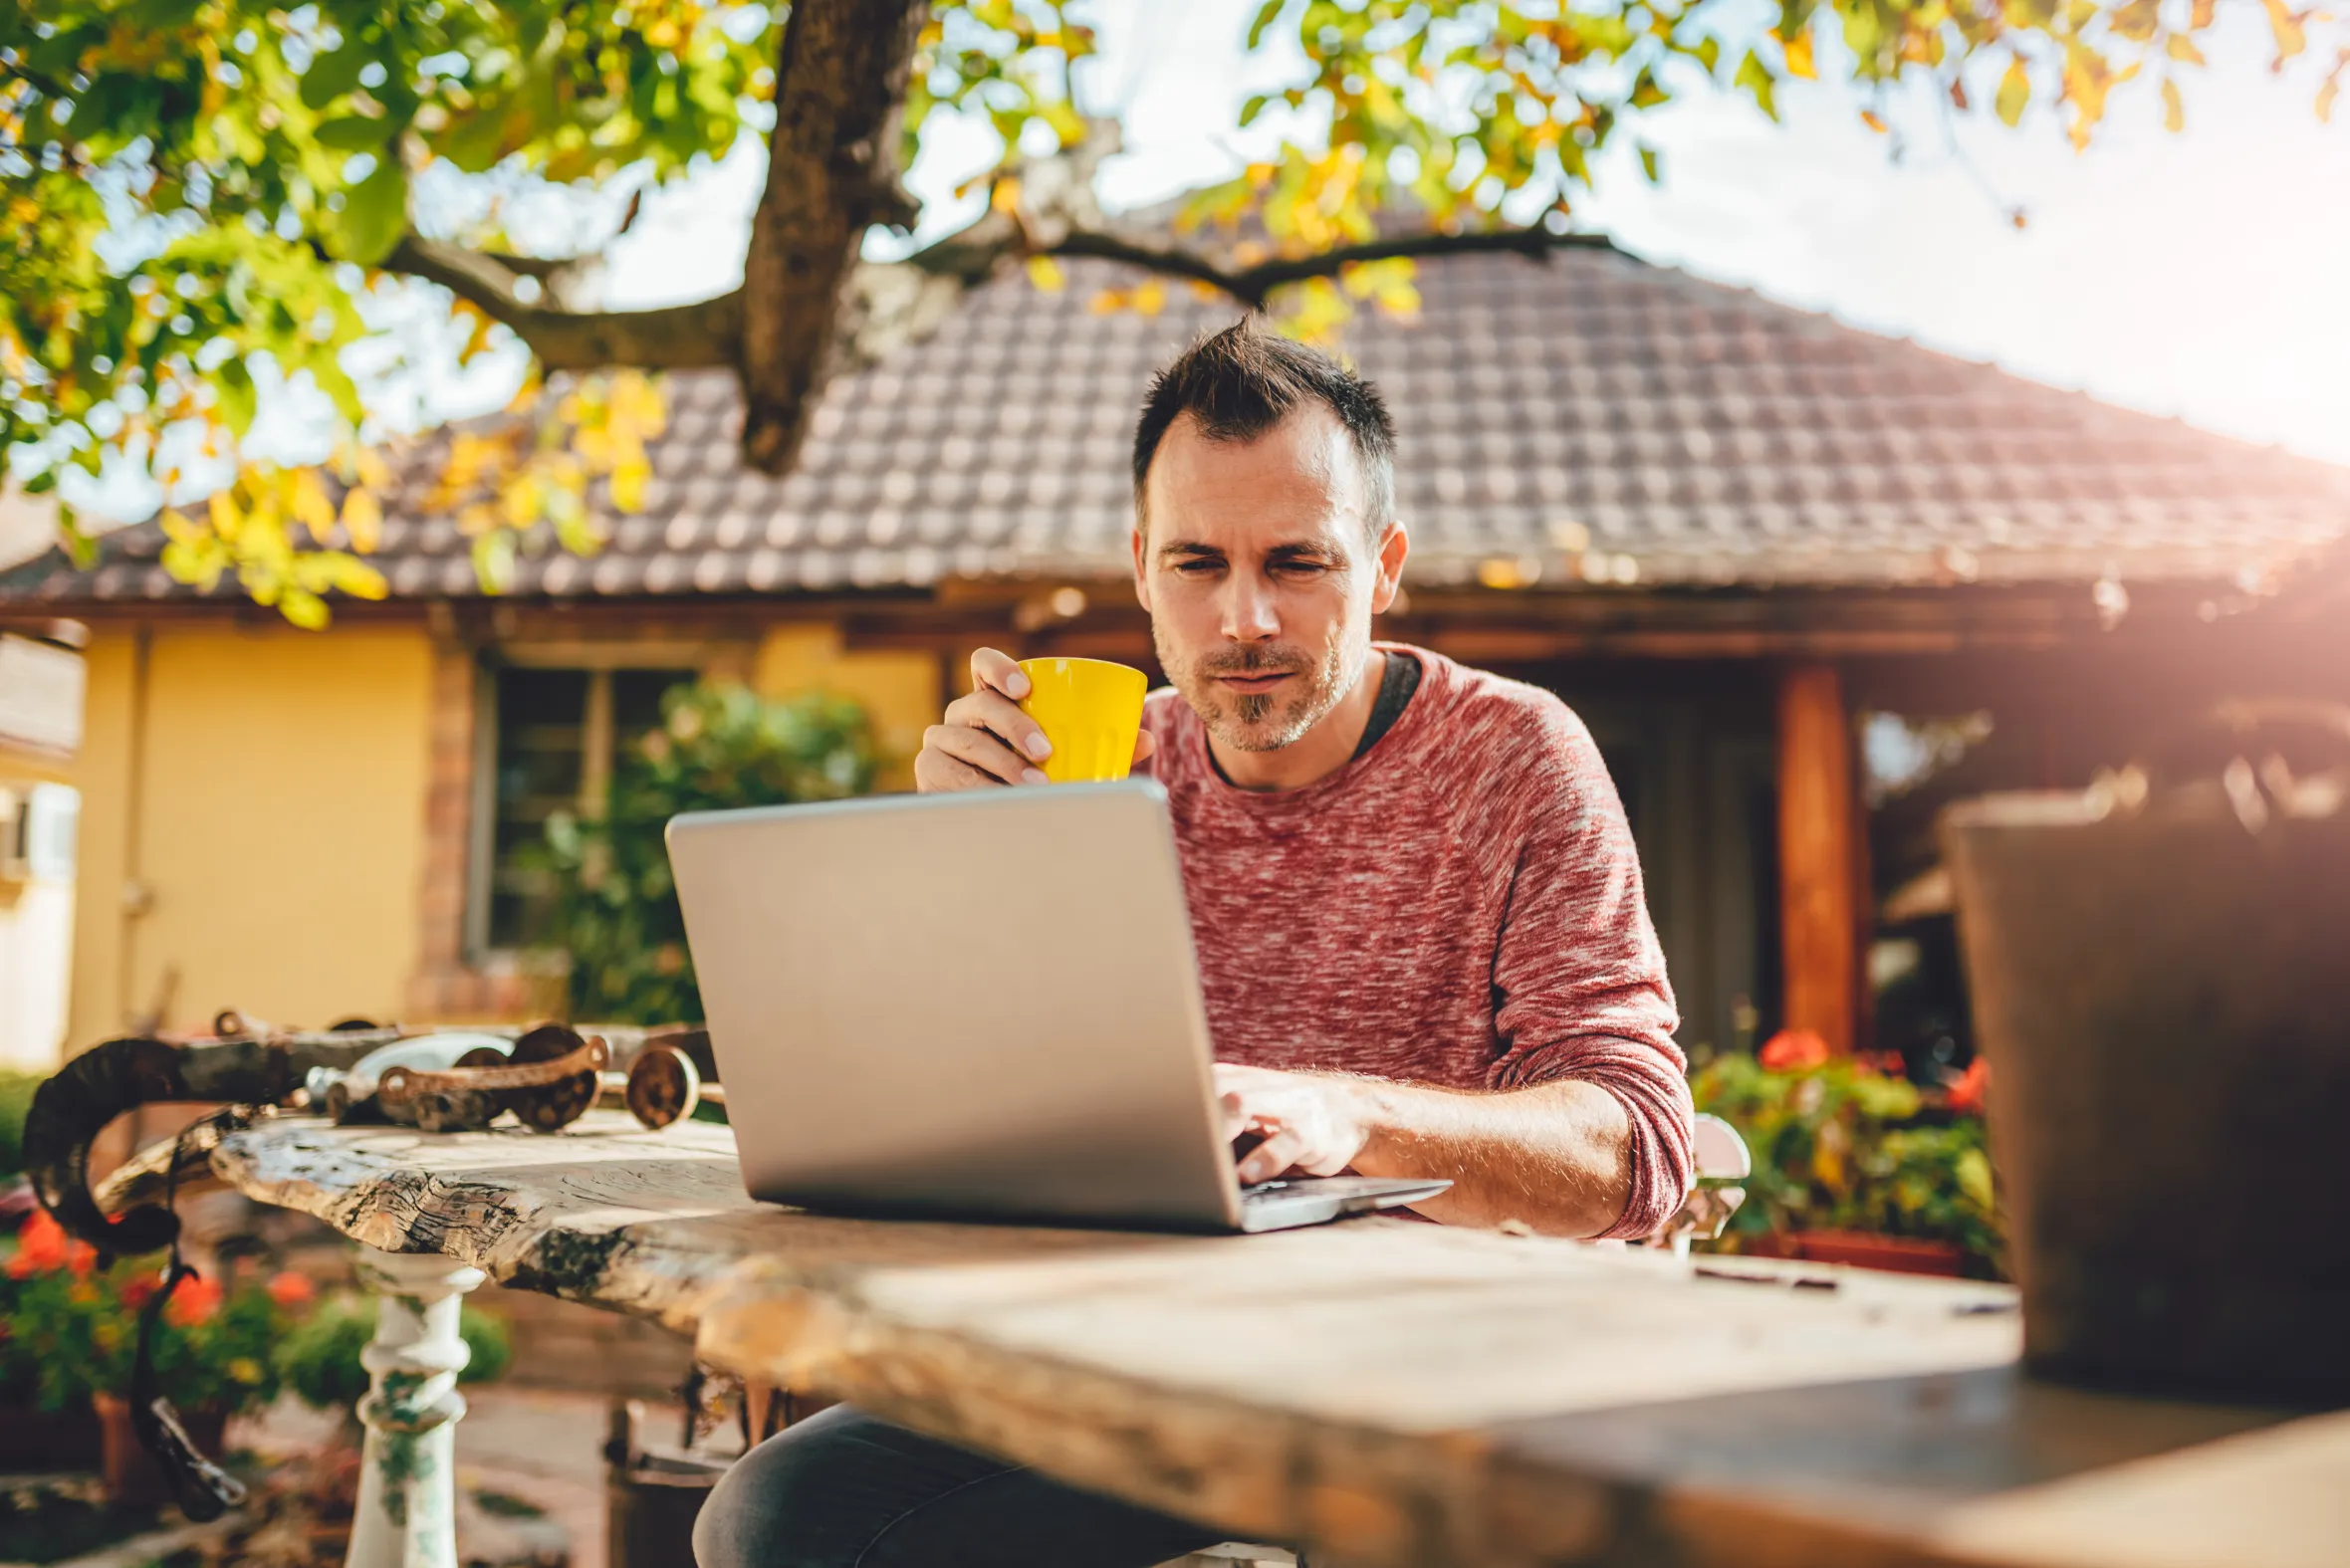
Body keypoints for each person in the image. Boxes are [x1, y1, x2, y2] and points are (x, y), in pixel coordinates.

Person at [695, 320, 1692, 1568]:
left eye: (1295, 561)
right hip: (1140, 1359)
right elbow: (1004, 1121)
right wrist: (956, 886)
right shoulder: (1098, 765)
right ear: (1139, 569)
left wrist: (1346, 1119)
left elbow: (1640, 1148)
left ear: (1382, 568)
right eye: (1195, 564)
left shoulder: (1516, 758)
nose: (1243, 619)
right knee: (778, 1517)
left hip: (1427, 1384)